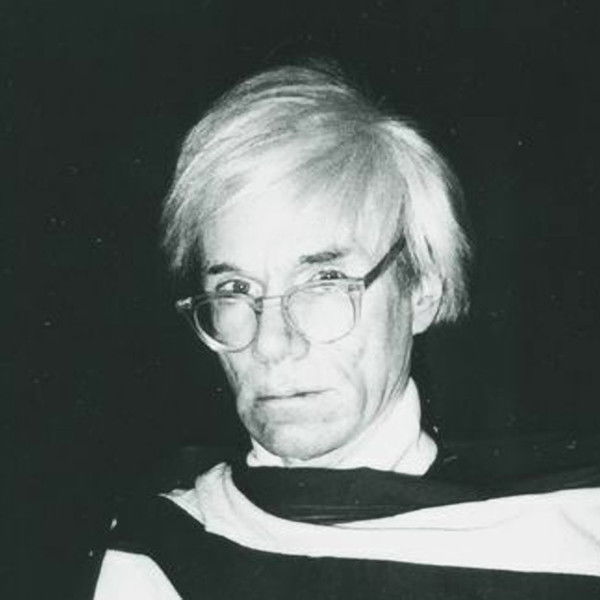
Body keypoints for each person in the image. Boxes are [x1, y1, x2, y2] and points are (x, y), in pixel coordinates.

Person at [92, 62, 600, 599]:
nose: (271, 344)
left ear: (422, 289)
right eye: (235, 289)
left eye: (324, 281)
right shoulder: (161, 556)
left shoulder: (572, 534)